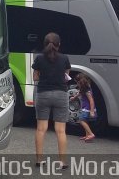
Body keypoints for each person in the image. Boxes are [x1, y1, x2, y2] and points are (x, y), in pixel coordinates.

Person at [32, 32, 71, 169]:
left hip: (43, 94)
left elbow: (35, 77)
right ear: (59, 45)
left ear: (44, 44)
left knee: (41, 129)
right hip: (61, 95)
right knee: (60, 130)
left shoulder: (39, 59)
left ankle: (39, 160)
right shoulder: (64, 58)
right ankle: (62, 162)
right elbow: (66, 75)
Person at [73, 73, 96, 141]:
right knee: (86, 121)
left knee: (81, 121)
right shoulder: (84, 88)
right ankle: (87, 135)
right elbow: (79, 93)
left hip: (87, 108)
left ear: (80, 82)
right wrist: (74, 98)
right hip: (85, 108)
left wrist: (92, 111)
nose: (77, 84)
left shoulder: (87, 90)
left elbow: (91, 100)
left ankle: (91, 134)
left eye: (77, 83)